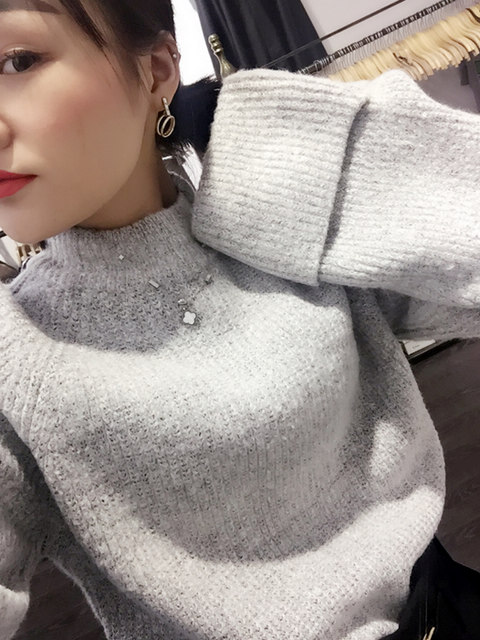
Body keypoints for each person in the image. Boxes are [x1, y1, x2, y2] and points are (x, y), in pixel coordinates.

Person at [0, 1, 479, 639]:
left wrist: (298, 146)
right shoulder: (16, 353)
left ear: (157, 69)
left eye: (17, 61)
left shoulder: (279, 213)